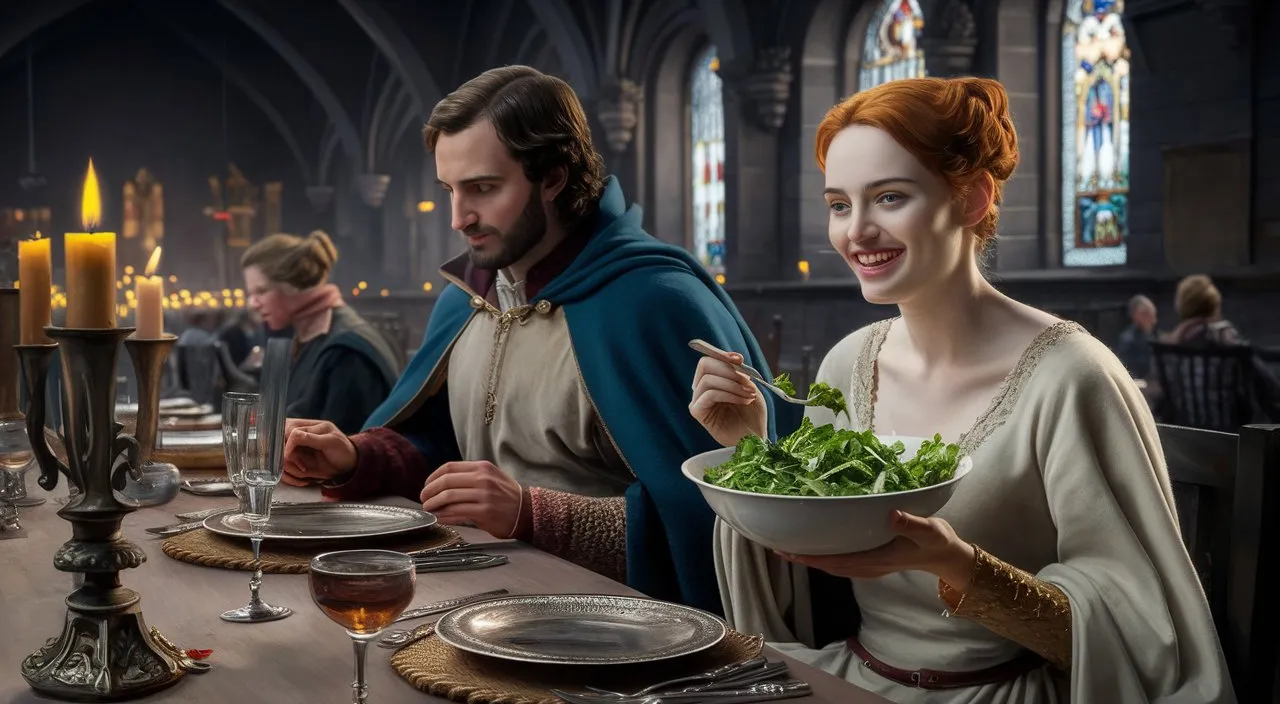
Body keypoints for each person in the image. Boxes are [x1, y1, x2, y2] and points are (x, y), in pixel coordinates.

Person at [689, 77, 1233, 702]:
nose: (856, 232)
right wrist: (752, 454)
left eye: (889, 197)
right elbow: (810, 571)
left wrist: (956, 565)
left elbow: (1142, 643)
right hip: (855, 681)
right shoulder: (847, 365)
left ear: (971, 197)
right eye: (840, 204)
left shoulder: (1072, 377)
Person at [279, 65, 782, 614]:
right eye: (449, 190)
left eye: (483, 189)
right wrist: (355, 457)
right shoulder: (466, 299)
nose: (458, 218)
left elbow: (723, 527)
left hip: (625, 628)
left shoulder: (654, 304)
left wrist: (532, 513)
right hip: (474, 599)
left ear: (553, 177)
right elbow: (445, 451)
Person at [241, 230, 401, 434]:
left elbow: (345, 447)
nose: (252, 304)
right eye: (250, 293)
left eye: (261, 291)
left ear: (291, 285)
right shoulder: (307, 338)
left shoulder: (346, 353)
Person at [1157, 274, 1280, 423]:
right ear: (1214, 304)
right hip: (1231, 436)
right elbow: (1269, 386)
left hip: (1184, 437)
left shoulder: (1169, 347)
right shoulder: (1225, 338)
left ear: (1181, 305)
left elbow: (1161, 398)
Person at [1115, 293, 1157, 378]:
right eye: (1148, 315)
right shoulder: (1128, 341)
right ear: (1137, 315)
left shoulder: (1154, 335)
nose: (1153, 321)